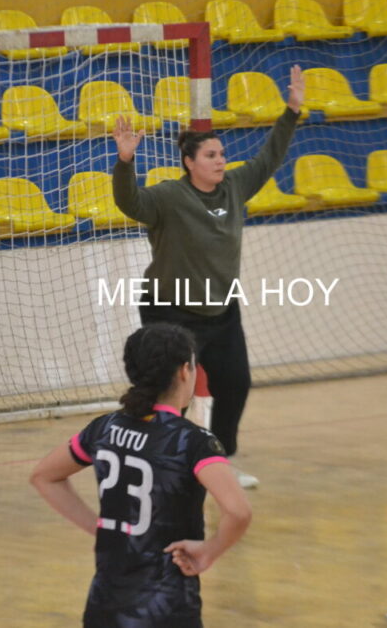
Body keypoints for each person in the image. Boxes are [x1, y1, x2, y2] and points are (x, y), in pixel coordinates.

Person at [110, 64, 306, 488]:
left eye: (222, 154)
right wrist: (125, 162)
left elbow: (270, 156)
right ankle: (151, 458)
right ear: (190, 163)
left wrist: (291, 111)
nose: (221, 160)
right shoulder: (167, 197)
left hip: (221, 310)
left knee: (236, 382)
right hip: (169, 309)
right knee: (167, 392)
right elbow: (130, 203)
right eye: (212, 155)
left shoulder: (235, 185)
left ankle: (219, 459)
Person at [30, 322, 252, 628]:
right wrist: (208, 552)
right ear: (185, 371)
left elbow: (44, 476)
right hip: (166, 607)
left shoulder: (104, 428)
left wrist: (100, 528)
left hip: (105, 603)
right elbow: (238, 511)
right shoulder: (192, 441)